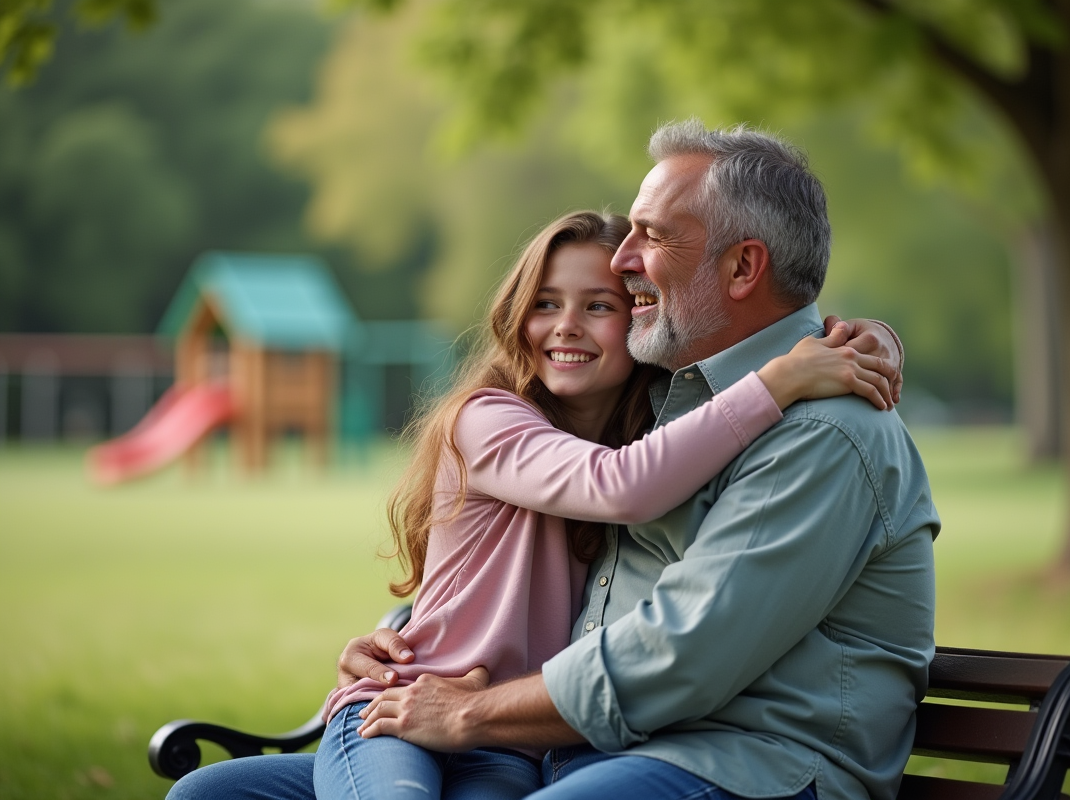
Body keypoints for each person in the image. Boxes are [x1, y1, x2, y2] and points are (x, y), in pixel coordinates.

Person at [165, 209, 902, 800]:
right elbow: (619, 486)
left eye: (598, 305)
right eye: (545, 304)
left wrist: (869, 337)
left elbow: (740, 345)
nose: (566, 326)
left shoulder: (660, 435)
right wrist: (778, 381)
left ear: (639, 317)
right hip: (401, 710)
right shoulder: (489, 420)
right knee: (205, 793)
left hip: (505, 744)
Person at [343, 121, 939, 800]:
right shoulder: (660, 400)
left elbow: (683, 655)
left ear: (743, 267)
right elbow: (511, 564)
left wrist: (470, 712)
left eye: (652, 235)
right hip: (591, 758)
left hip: (744, 767)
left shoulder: (825, 432)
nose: (623, 260)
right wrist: (400, 645)